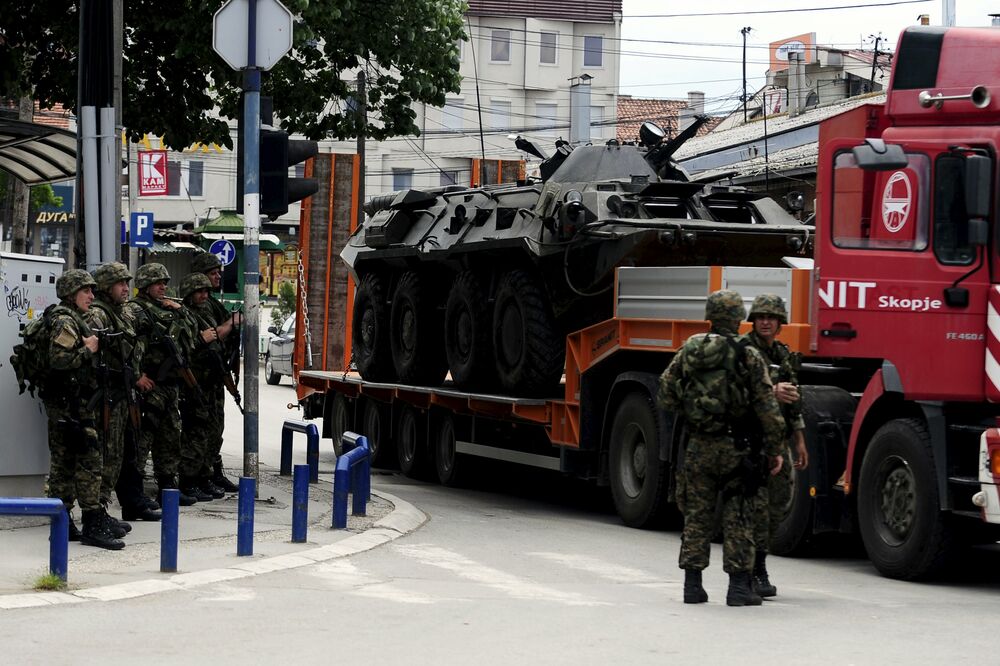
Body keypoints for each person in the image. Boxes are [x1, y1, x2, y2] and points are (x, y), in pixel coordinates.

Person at [658, 289, 785, 606]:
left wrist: (693, 412)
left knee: (697, 515)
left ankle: (693, 586)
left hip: (698, 445)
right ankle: (739, 588)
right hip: (737, 447)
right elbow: (767, 406)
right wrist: (774, 449)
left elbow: (666, 392)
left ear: (710, 316)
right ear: (740, 318)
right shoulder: (749, 355)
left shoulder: (691, 348)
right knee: (738, 516)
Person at [42, 269, 124, 550]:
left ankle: (63, 525)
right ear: (70, 294)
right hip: (71, 407)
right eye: (85, 291)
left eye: (92, 290)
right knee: (89, 462)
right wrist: (88, 349)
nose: (91, 295)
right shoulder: (66, 321)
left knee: (63, 467)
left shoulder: (71, 317)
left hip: (69, 405)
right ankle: (92, 522)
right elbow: (59, 360)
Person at [742, 294, 810, 598]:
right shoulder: (742, 351)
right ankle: (749, 571)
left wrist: (799, 440)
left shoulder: (783, 354)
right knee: (751, 507)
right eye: (760, 317)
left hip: (778, 440)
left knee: (777, 504)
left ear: (780, 323)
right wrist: (772, 388)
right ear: (753, 321)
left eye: (771, 317)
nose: (766, 322)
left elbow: (794, 401)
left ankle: (760, 561)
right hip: (748, 439)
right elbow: (732, 387)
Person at [87, 262, 161, 524]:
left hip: (123, 394)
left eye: (127, 283)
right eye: (121, 284)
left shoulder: (122, 313)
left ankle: (112, 507)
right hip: (107, 395)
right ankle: (95, 512)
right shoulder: (97, 315)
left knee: (122, 453)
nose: (126, 288)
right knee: (106, 454)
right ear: (107, 287)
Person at [122, 263, 201, 506]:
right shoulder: (135, 310)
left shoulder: (168, 308)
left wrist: (181, 310)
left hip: (169, 385)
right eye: (158, 283)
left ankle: (167, 487)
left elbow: (192, 334)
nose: (163, 287)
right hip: (149, 385)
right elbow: (127, 346)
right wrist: (137, 377)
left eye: (165, 283)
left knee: (170, 436)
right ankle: (135, 490)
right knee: (143, 438)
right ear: (145, 286)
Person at [189, 252, 241, 493]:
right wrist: (231, 324)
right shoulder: (193, 306)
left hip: (214, 376)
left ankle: (211, 472)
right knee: (201, 431)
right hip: (200, 378)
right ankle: (199, 476)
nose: (218, 276)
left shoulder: (210, 303)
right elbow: (214, 334)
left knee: (215, 429)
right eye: (213, 273)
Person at [177, 272, 230, 500]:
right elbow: (181, 349)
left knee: (210, 432)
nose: (204, 295)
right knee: (195, 434)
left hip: (208, 382)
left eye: (206, 291)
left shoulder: (205, 313)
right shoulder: (184, 316)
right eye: (199, 291)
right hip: (193, 383)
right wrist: (201, 340)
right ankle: (189, 480)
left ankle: (203, 477)